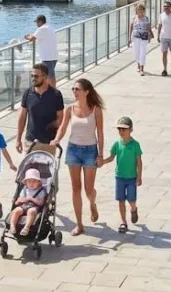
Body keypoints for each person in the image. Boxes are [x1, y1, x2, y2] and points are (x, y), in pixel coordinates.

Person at [53, 78, 105, 235]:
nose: (74, 92)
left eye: (77, 89)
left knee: (89, 189)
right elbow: (62, 128)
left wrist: (101, 154)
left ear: (86, 92)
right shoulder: (70, 109)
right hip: (73, 150)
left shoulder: (96, 110)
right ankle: (79, 224)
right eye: (73, 89)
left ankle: (92, 203)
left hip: (90, 151)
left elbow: (100, 133)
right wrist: (57, 139)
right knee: (76, 188)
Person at [100, 116, 143, 234]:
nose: (121, 131)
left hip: (132, 177)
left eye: (124, 129)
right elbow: (111, 157)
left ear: (131, 130)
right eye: (119, 129)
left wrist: (139, 176)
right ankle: (124, 222)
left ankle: (133, 209)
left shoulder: (135, 145)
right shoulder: (117, 144)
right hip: (119, 177)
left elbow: (139, 161)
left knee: (131, 199)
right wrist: (103, 161)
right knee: (121, 200)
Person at [16, 63, 64, 152]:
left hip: (49, 143)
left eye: (36, 76)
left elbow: (60, 118)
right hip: (30, 142)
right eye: (32, 76)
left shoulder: (56, 95)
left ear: (45, 77)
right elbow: (22, 117)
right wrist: (18, 139)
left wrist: (52, 131)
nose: (33, 78)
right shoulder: (28, 93)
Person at [7, 169, 48, 236]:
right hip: (24, 205)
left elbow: (41, 203)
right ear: (26, 182)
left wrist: (31, 199)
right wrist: (18, 201)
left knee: (31, 211)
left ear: (39, 182)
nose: (31, 183)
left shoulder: (41, 191)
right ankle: (12, 226)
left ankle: (26, 227)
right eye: (29, 181)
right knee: (15, 211)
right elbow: (20, 198)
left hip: (34, 206)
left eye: (34, 181)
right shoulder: (25, 189)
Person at [24, 15, 59, 83]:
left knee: (50, 77)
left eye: (37, 22)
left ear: (40, 22)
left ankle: (53, 90)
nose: (36, 24)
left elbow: (32, 38)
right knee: (49, 76)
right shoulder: (49, 27)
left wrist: (26, 37)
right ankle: (50, 89)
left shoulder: (42, 29)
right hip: (53, 56)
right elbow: (36, 35)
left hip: (47, 57)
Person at [130, 3, 153, 76]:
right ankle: (138, 64)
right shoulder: (134, 18)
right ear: (136, 10)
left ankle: (142, 68)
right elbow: (131, 27)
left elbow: (148, 27)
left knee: (143, 52)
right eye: (138, 9)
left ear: (143, 10)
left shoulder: (146, 18)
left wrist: (150, 35)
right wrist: (129, 37)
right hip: (135, 37)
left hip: (144, 37)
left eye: (141, 9)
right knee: (136, 52)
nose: (140, 10)